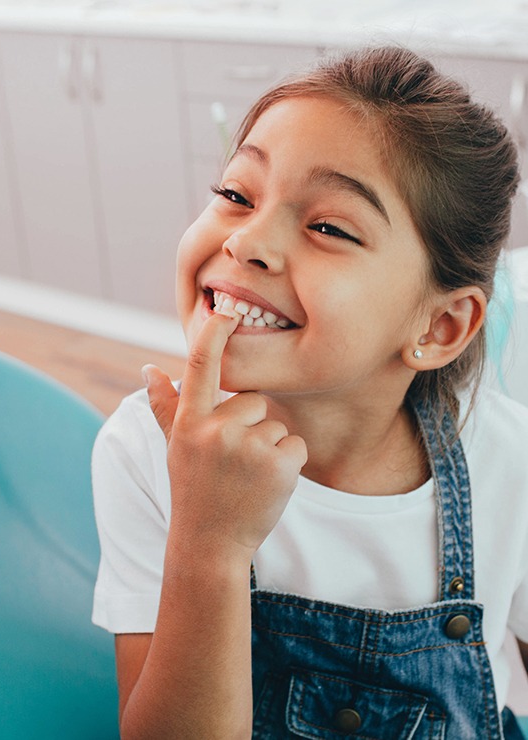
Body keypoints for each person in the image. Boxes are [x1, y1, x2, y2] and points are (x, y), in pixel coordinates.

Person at [91, 46, 528, 738]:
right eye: (236, 194)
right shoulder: (145, 447)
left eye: (327, 226)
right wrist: (208, 543)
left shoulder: (511, 465)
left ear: (439, 325)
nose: (246, 242)